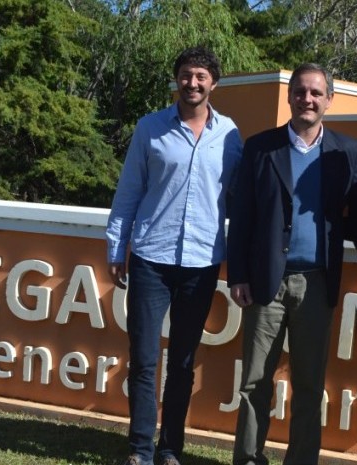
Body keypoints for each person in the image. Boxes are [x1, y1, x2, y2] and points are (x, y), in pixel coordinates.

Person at [227, 63, 357, 465]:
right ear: (289, 96)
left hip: (317, 283)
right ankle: (248, 458)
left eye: (315, 93)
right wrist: (237, 273)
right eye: (300, 91)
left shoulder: (346, 150)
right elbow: (242, 217)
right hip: (264, 283)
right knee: (254, 382)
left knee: (310, 384)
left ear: (329, 99)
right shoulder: (261, 147)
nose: (307, 99)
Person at [105, 46, 243, 465]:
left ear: (213, 83)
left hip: (202, 263)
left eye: (201, 76)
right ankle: (140, 449)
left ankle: (170, 449)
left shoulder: (231, 135)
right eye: (186, 75)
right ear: (176, 80)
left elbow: (239, 201)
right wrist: (117, 246)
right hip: (150, 257)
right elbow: (129, 190)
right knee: (145, 359)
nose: (193, 83)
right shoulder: (150, 128)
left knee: (183, 363)